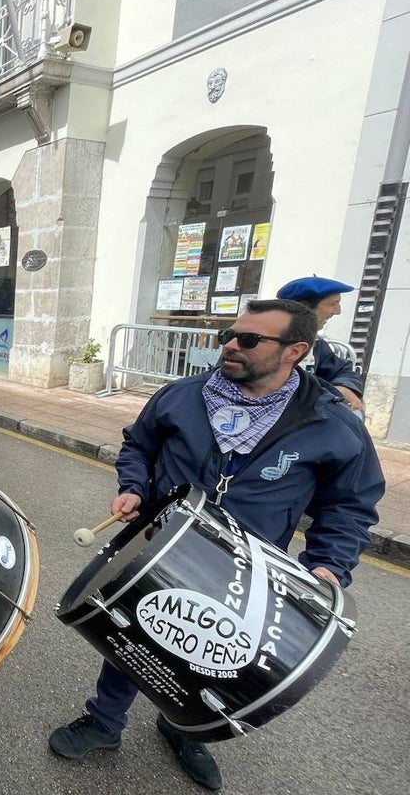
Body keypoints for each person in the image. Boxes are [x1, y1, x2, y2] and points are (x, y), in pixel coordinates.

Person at [47, 299, 385, 793]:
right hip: (160, 542)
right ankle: (103, 722)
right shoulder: (182, 396)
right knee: (131, 635)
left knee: (210, 650)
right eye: (230, 333)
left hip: (250, 567)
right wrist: (133, 486)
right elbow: (138, 446)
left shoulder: (331, 423)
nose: (230, 344)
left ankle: (182, 727)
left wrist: (329, 565)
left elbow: (350, 505)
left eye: (249, 340)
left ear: (295, 350)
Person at [275, 276, 364, 412]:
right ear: (306, 308)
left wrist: (344, 386)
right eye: (333, 304)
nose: (337, 311)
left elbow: (341, 370)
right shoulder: (263, 340)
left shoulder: (316, 344)